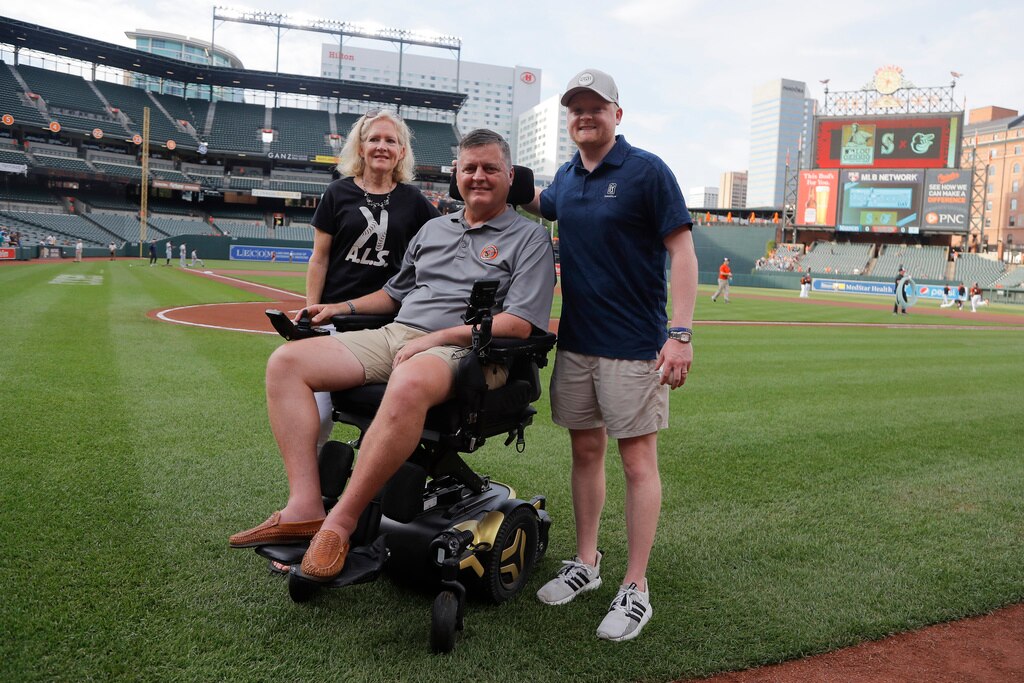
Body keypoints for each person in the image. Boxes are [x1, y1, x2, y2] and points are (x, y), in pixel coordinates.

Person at [229, 130, 556, 588]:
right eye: (469, 169)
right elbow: (393, 294)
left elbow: (520, 323)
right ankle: (305, 506)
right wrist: (337, 309)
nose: (478, 177)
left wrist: (438, 337)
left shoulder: (530, 239)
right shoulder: (434, 227)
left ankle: (339, 523)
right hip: (399, 334)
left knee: (410, 377)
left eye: (490, 169)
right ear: (456, 176)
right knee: (288, 362)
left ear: (509, 176)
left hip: (474, 350)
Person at [524, 68, 697, 642]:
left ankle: (636, 587)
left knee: (637, 462)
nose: (585, 116)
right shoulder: (567, 179)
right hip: (577, 343)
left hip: (634, 346)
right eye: (576, 108)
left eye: (596, 107)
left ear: (617, 115)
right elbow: (538, 202)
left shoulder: (647, 171)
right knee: (585, 452)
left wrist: (681, 333)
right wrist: (482, 169)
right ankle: (588, 563)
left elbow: (683, 252)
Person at [305, 110, 440, 453]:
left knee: (385, 416)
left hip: (390, 325)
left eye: (390, 141)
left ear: (402, 152)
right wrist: (311, 311)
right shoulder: (337, 192)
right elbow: (319, 258)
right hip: (336, 321)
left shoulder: (414, 200)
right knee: (318, 418)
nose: (382, 146)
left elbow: (444, 239)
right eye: (374, 139)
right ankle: (313, 494)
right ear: (361, 147)